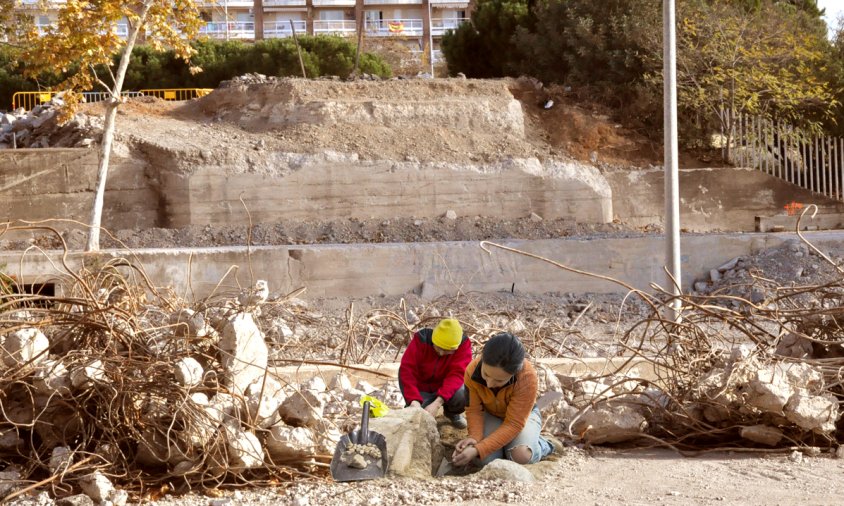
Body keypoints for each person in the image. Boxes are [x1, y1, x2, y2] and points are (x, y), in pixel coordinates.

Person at [452, 332, 553, 466]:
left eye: (499, 380)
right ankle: (507, 446)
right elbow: (474, 410)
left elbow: (514, 424)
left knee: (521, 456)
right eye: (486, 374)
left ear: (513, 373)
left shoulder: (527, 377)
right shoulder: (471, 370)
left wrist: (479, 448)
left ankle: (544, 445)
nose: (489, 384)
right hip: (491, 415)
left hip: (522, 418)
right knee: (485, 460)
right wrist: (474, 438)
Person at [398, 318, 472, 428]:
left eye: (447, 350)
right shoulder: (421, 339)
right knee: (415, 417)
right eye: (438, 347)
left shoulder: (463, 345)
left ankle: (452, 413)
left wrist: (437, 403)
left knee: (464, 393)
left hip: (445, 387)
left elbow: (457, 374)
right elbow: (407, 370)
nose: (441, 353)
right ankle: (417, 404)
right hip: (422, 388)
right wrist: (413, 400)